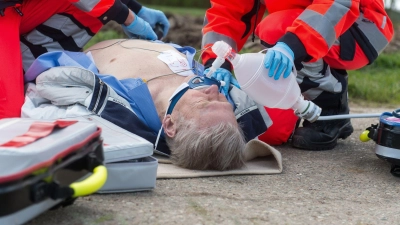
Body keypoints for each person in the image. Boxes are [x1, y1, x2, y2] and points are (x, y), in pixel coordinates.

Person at [21, 39, 272, 170]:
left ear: (170, 125)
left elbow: (48, 83)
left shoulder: (123, 106)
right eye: (223, 100)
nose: (215, 89)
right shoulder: (213, 91)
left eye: (205, 102)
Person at [201, 0, 394, 150]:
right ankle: (304, 96)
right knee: (270, 133)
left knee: (275, 27)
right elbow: (227, 12)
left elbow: (338, 4)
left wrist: (292, 45)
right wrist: (217, 62)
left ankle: (330, 105)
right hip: (296, 29)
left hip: (359, 25)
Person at [0, 0, 170, 119]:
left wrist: (133, 6)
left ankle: (22, 65)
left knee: (97, 10)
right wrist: (129, 17)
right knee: (7, 117)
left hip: (16, 7)